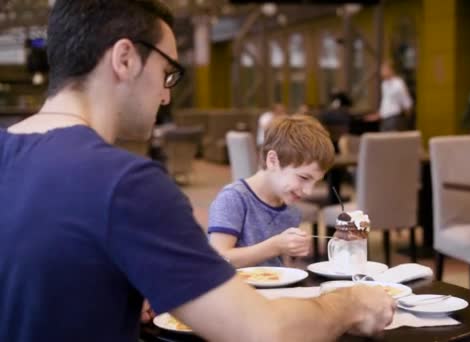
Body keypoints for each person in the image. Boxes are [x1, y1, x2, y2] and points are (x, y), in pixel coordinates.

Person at [0, 1, 396, 341]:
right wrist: (352, 303)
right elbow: (263, 332)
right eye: (168, 73)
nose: (166, 94)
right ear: (124, 58)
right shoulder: (126, 183)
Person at [208, 115, 332, 268]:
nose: (308, 191)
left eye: (316, 182)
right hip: (235, 289)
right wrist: (275, 246)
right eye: (303, 177)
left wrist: (337, 241)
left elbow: (281, 267)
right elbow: (218, 258)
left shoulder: (291, 210)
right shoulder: (233, 198)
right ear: (272, 160)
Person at [366, 60, 413, 131]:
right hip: (385, 118)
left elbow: (406, 101)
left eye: (384, 69)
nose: (381, 72)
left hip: (394, 118)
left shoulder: (398, 84)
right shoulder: (384, 84)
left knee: (392, 140)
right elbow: (386, 102)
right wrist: (379, 115)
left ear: (391, 70)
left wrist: (407, 118)